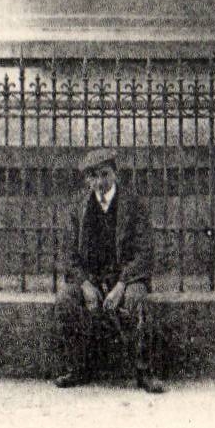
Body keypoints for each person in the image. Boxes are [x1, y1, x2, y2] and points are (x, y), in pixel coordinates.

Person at [54, 147, 163, 392]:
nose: (99, 183)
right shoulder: (77, 208)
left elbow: (145, 252)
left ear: (115, 174)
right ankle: (77, 368)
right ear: (87, 180)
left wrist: (122, 285)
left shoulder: (134, 206)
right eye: (93, 177)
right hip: (90, 279)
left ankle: (144, 372)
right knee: (65, 300)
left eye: (104, 175)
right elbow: (68, 253)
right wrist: (84, 284)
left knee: (137, 301)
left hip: (125, 277)